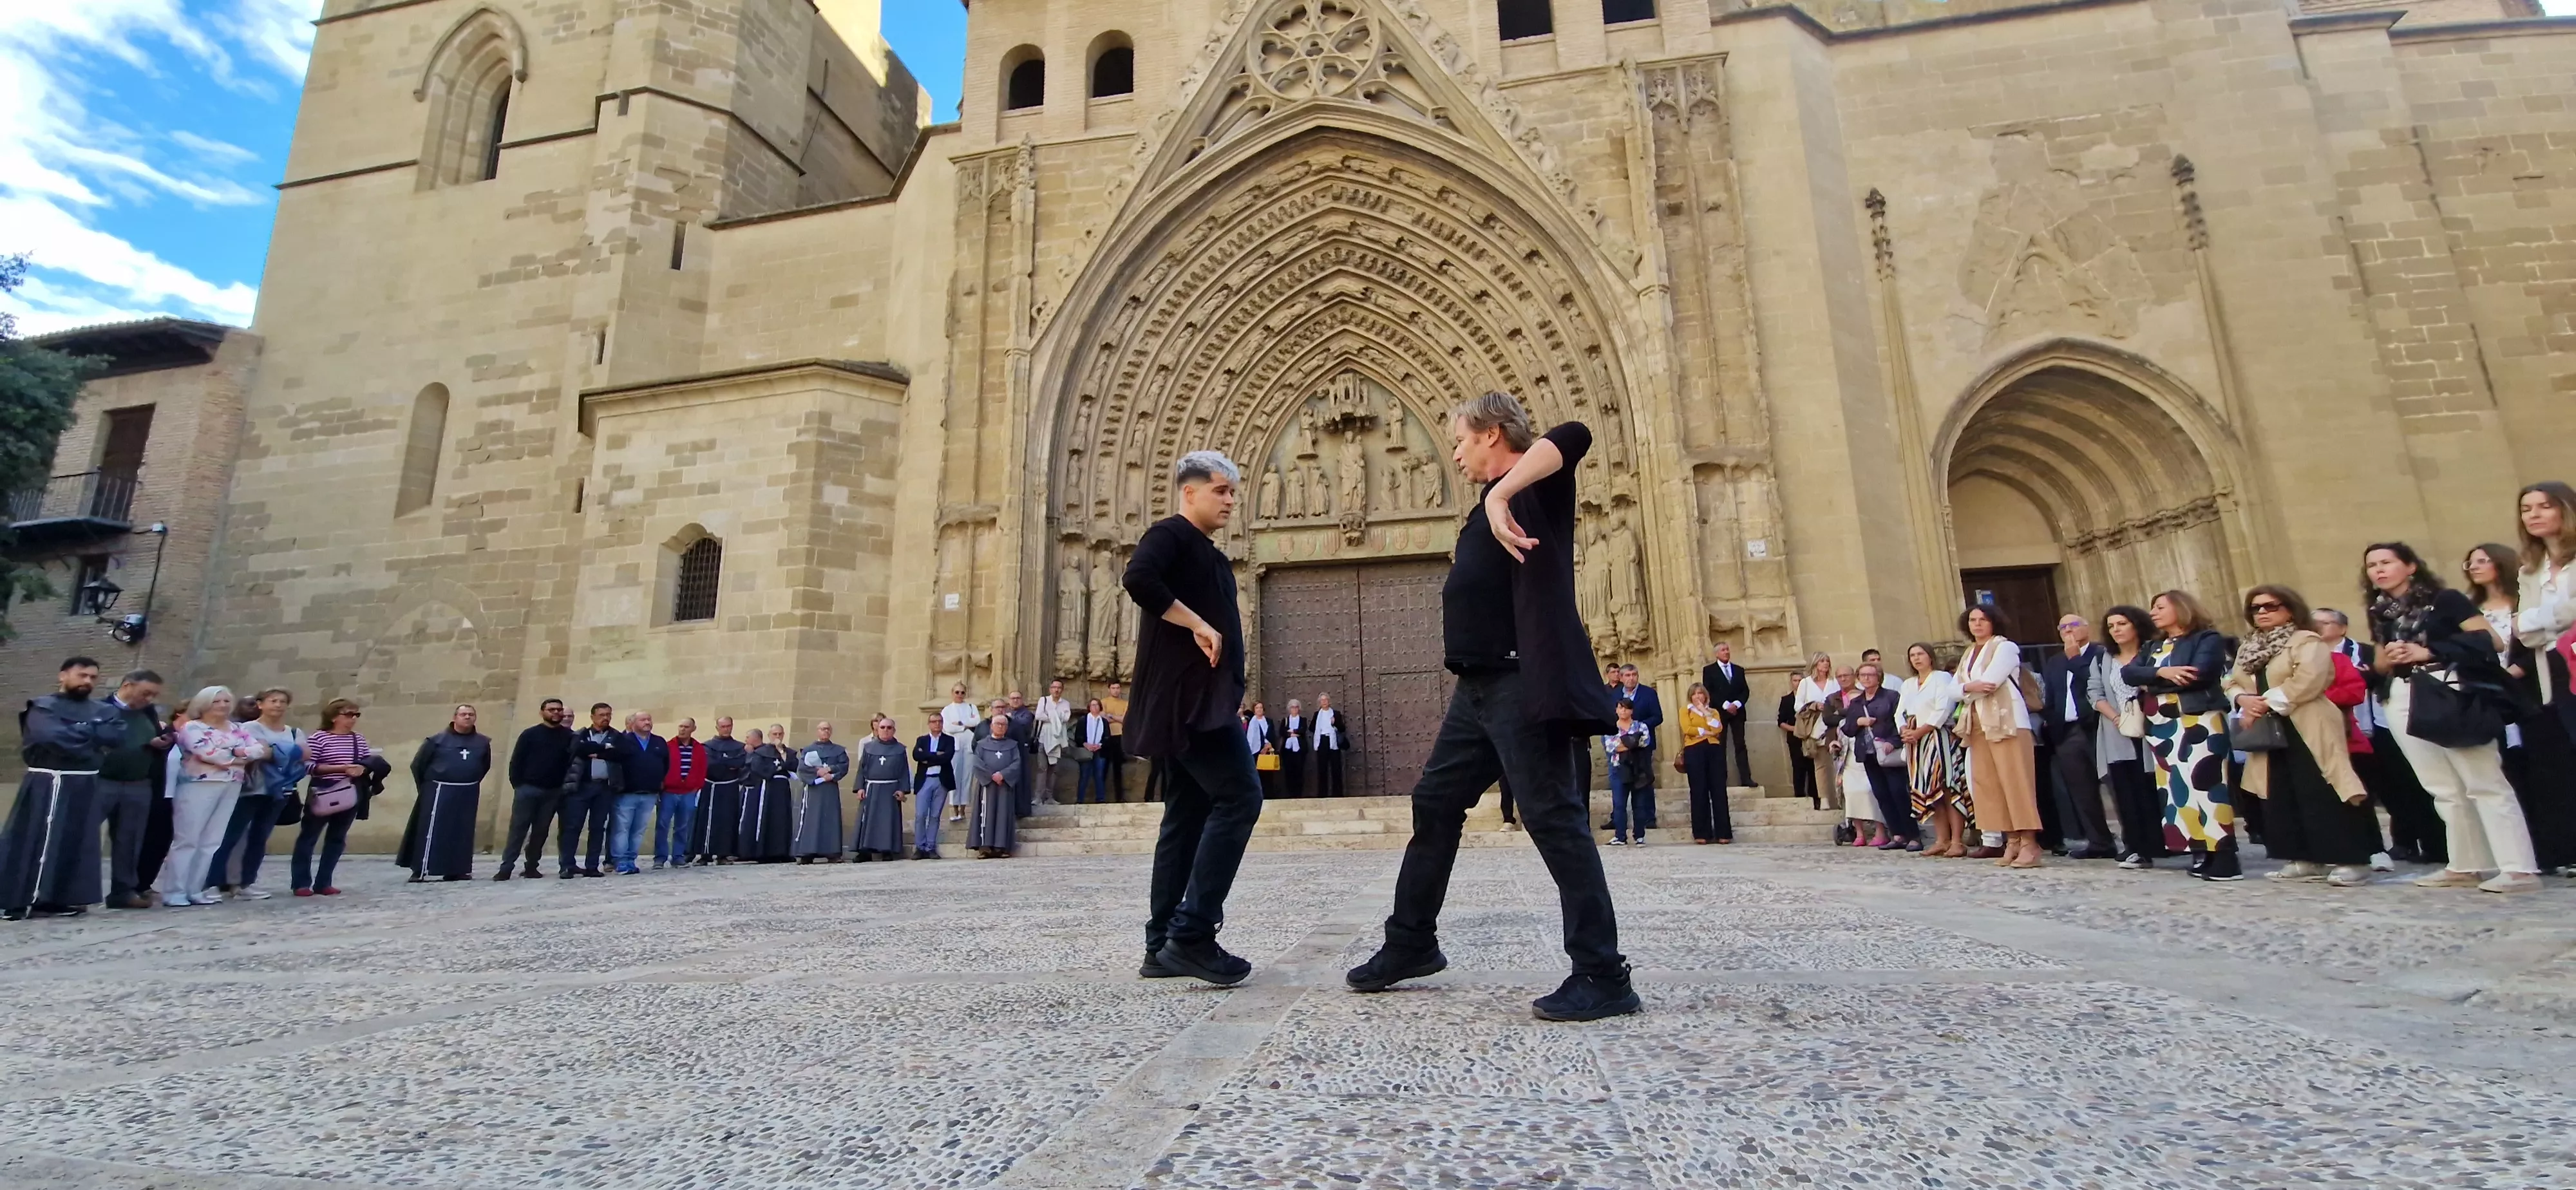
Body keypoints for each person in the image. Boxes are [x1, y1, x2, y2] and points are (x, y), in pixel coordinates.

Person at [1347, 393, 1635, 1022]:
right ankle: (1411, 942)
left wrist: (1504, 495)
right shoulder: (1487, 502)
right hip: (1476, 691)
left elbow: (1577, 432)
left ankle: (1603, 972)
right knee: (1435, 803)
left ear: (1493, 434)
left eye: (1460, 439)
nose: (1452, 452)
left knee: (1553, 818)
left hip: (1521, 681)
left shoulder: (1533, 491)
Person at [1122, 449, 1264, 987]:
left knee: (1185, 816)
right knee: (1240, 796)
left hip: (1196, 702)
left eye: (1233, 492)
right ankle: (1194, 934)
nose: (1231, 500)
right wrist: (1196, 623)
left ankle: (1161, 944)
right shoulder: (1171, 534)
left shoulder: (1203, 550)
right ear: (1190, 492)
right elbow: (1138, 578)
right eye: (1221, 490)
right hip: (1191, 703)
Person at [2365, 542, 2540, 892]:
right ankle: (2466, 863)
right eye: (2371, 565)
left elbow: (2490, 641)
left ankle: (2518, 867)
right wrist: (2388, 657)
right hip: (2402, 692)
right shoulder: (2381, 611)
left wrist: (2427, 650)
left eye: (2387, 562)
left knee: (2483, 780)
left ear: (2411, 566)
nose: (2378, 570)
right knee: (2442, 787)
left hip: (2449, 688)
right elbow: (2381, 664)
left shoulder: (2445, 600)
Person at [2224, 585, 2378, 887]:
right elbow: (2231, 679)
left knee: (2323, 787)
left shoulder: (2306, 640)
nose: (2263, 613)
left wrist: (2265, 701)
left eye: (2271, 606)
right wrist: (2242, 699)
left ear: (2290, 609)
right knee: (2281, 791)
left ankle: (2353, 858)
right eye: (2256, 608)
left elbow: (2310, 678)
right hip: (2267, 727)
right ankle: (2304, 857)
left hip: (2307, 722)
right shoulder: (2249, 647)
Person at [2470, 541, 2576, 873]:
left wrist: (2515, 672)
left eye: (2484, 560)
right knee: (2509, 773)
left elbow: (2539, 641)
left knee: (2549, 770)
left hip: (2529, 691)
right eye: (2470, 563)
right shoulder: (2470, 610)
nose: (2475, 567)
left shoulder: (2523, 600)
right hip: (2490, 698)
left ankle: (2563, 848)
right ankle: (2532, 851)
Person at [2123, 590, 2239, 879]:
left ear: (2182, 608)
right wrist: (2163, 674)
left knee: (2207, 785)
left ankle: (2224, 857)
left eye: (2160, 607)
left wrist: (2153, 681)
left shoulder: (2206, 639)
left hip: (2198, 720)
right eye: (2152, 608)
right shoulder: (2154, 645)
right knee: (2178, 790)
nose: (2153, 613)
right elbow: (2130, 674)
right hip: (2162, 726)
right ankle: (2201, 852)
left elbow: (2198, 674)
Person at [1, 657, 122, 920]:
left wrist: (82, 732)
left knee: (73, 841)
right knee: (36, 838)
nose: (88, 681)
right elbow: (53, 738)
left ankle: (58, 899)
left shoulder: (104, 710)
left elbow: (116, 737)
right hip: (48, 782)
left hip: (84, 783)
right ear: (63, 676)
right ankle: (18, 900)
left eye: (93, 677)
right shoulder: (43, 707)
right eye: (82, 675)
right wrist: (92, 734)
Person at [2318, 607, 2441, 864]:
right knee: (2386, 791)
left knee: (2412, 783)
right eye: (2313, 623)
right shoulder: (2312, 657)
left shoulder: (2365, 652)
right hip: (2350, 732)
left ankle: (2434, 843)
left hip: (2382, 724)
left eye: (2324, 623)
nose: (2317, 627)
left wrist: (2365, 674)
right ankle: (2402, 843)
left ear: (2342, 628)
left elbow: (2381, 677)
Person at [155, 686, 269, 907]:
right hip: (199, 784)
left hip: (232, 783)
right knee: (188, 839)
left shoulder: (236, 728)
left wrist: (236, 755)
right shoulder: (193, 727)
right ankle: (175, 890)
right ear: (205, 704)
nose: (223, 705)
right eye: (217, 701)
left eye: (227, 701)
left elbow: (259, 750)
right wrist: (238, 755)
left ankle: (196, 888)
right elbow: (209, 754)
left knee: (212, 841)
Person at [2515, 481, 2576, 873]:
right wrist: (2546, 621)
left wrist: (2539, 621)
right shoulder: (2530, 571)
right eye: (2526, 508)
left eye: (2544, 506)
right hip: (2549, 668)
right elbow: (2524, 629)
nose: (2534, 514)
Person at [1955, 605, 2043, 869]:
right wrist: (1968, 687)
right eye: (1972, 620)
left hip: (2007, 721)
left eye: (1983, 619)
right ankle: (2012, 839)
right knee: (1991, 784)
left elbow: (1991, 682)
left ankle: (2030, 842)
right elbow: (1953, 690)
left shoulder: (2005, 647)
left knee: (2016, 781)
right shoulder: (1969, 653)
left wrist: (1965, 689)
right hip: (1979, 722)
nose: (1977, 624)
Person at [207, 688, 301, 901]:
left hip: (279, 789)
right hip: (251, 788)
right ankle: (212, 882)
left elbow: (304, 753)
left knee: (260, 838)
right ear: (261, 704)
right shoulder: (248, 727)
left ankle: (246, 882)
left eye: (283, 701)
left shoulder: (292, 731)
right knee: (231, 836)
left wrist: (274, 751)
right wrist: (284, 752)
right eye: (273, 701)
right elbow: (257, 752)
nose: (278, 705)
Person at [2092, 606, 2165, 868]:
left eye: (2122, 624)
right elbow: (2095, 692)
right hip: (2118, 731)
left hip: (2154, 728)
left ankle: (2167, 844)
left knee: (2154, 787)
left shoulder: (2154, 652)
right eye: (2111, 626)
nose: (2116, 630)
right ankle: (2136, 848)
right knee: (2126, 790)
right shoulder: (2104, 658)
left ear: (2136, 625)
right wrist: (2116, 718)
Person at [2041, 616, 2118, 860]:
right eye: (2062, 627)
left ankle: (2138, 841)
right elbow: (2051, 695)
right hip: (2067, 731)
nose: (2067, 630)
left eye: (2073, 625)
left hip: (2098, 727)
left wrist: (2075, 657)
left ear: (2087, 627)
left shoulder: (2101, 654)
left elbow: (2094, 684)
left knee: (2115, 784)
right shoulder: (2054, 661)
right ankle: (2099, 842)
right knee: (2082, 790)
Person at [96, 668, 171, 909]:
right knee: (84, 837)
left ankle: (123, 892)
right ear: (127, 685)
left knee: (130, 841)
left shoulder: (147, 713)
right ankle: (71, 892)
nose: (149, 700)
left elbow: (145, 739)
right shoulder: (100, 709)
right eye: (146, 693)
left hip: (139, 783)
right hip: (102, 781)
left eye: (153, 696)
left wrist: (158, 743)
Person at [292, 699, 375, 896]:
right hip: (323, 792)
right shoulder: (319, 738)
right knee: (309, 837)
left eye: (356, 715)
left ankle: (324, 881)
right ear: (333, 716)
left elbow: (366, 760)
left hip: (349, 792)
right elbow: (308, 765)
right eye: (348, 714)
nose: (353, 719)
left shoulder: (358, 739)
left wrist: (363, 768)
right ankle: (301, 882)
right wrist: (340, 768)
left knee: (337, 838)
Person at [399, 704, 488, 883]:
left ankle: (457, 870)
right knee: (432, 830)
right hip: (439, 790)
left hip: (468, 790)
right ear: (455, 717)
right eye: (463, 714)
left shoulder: (483, 742)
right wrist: (427, 788)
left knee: (462, 831)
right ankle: (421, 869)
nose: (468, 717)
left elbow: (484, 765)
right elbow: (418, 765)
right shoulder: (436, 741)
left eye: (471, 714)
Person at [1897, 643, 1969, 858]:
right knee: (1932, 793)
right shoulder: (1908, 684)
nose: (1917, 658)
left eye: (1921, 654)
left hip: (1938, 738)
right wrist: (1905, 730)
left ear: (1930, 657)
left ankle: (1957, 840)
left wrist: (1921, 730)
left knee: (1948, 788)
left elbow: (1943, 708)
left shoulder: (1942, 678)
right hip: (1916, 744)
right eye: (1913, 655)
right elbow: (1900, 711)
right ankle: (1942, 839)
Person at [498, 697, 572, 880]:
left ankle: (531, 866)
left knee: (541, 831)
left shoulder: (568, 736)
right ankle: (506, 867)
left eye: (559, 710)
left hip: (553, 791)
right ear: (542, 712)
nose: (556, 713)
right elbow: (516, 761)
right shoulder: (530, 734)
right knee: (518, 829)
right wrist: (519, 785)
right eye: (551, 710)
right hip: (528, 789)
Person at [1841, 663, 1911, 849]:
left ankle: (1912, 835)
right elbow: (1847, 729)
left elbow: (1900, 720)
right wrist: (1858, 721)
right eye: (1862, 675)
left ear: (1878, 677)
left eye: (1870, 675)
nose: (1866, 679)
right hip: (1868, 754)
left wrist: (1894, 741)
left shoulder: (1891, 696)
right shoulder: (1857, 702)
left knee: (1898, 792)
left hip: (1888, 752)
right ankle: (1897, 835)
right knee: (1881, 794)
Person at [562, 704, 629, 878]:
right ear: (592, 717)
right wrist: (605, 749)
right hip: (581, 786)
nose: (605, 718)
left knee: (598, 827)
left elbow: (622, 755)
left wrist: (597, 753)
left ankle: (592, 865)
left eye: (608, 715)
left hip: (604, 788)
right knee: (573, 826)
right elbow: (578, 750)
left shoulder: (617, 736)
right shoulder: (580, 734)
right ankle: (567, 865)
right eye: (601, 715)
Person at [607, 712, 669, 875]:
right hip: (627, 793)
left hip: (649, 793)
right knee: (622, 828)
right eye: (643, 720)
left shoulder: (659, 742)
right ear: (633, 723)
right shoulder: (623, 740)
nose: (647, 722)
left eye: (649, 719)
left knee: (639, 829)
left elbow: (665, 764)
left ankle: (631, 859)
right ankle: (620, 861)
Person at [849, 715, 909, 861]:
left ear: (894, 730)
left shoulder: (900, 749)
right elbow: (862, 769)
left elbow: (904, 771)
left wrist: (902, 790)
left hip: (890, 790)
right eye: (883, 727)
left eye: (889, 728)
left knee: (888, 821)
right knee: (868, 820)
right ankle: (865, 851)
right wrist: (860, 788)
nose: (885, 730)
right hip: (872, 789)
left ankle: (887, 850)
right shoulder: (869, 748)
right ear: (878, 729)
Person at [1678, 683, 1730, 844]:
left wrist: (1706, 713)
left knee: (1718, 789)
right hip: (1694, 749)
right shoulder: (1685, 710)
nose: (1698, 697)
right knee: (1699, 790)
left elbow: (1718, 728)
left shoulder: (1713, 712)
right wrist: (1706, 731)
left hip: (1714, 749)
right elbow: (1688, 728)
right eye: (1694, 694)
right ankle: (1702, 832)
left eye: (1700, 693)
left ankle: (1723, 832)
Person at [692, 717, 748, 865]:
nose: (726, 729)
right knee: (707, 820)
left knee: (727, 820)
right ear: (717, 727)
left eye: (729, 726)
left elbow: (740, 763)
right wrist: (728, 763)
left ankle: (724, 854)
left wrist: (725, 762)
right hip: (711, 787)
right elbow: (710, 765)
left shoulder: (739, 747)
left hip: (730, 786)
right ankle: (705, 854)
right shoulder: (708, 746)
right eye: (723, 726)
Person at [793, 722, 849, 863]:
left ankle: (832, 852)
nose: (826, 731)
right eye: (823, 729)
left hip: (830, 789)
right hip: (814, 790)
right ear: (817, 731)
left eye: (828, 729)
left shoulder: (839, 750)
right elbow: (802, 769)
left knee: (831, 819)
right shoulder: (808, 750)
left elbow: (843, 766)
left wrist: (831, 773)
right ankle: (807, 852)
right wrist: (817, 772)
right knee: (812, 819)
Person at [654, 718, 705, 871]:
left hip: (688, 792)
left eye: (686, 727)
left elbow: (702, 769)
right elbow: (661, 766)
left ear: (693, 729)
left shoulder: (698, 748)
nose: (682, 729)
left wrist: (696, 786)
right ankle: (660, 857)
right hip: (669, 792)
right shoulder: (669, 746)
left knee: (683, 826)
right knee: (663, 825)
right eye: (681, 726)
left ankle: (678, 856)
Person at [1700, 641, 1753, 788]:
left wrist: (1737, 704)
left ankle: (1746, 778)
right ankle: (1720, 779)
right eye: (1723, 650)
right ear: (1717, 653)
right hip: (1720, 713)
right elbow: (1709, 691)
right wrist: (1725, 705)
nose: (1726, 652)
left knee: (1740, 745)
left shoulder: (1738, 670)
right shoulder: (1709, 670)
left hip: (1737, 712)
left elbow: (1745, 691)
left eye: (1727, 649)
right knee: (1720, 746)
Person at [969, 713, 1023, 857]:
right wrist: (992, 775)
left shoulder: (1012, 745)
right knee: (986, 814)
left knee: (1003, 814)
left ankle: (1002, 848)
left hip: (1004, 785)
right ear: (991, 726)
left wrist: (1003, 775)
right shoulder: (981, 745)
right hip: (987, 786)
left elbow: (1017, 763)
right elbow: (977, 763)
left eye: (1004, 724)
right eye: (998, 724)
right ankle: (985, 848)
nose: (1000, 727)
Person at [1615, 665, 1661, 828]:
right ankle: (1618, 819)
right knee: (1619, 781)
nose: (1631, 678)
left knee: (1645, 780)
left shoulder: (1649, 693)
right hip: (1619, 745)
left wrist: (1638, 727)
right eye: (1627, 675)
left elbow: (1658, 717)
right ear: (1621, 678)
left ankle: (1649, 818)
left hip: (1642, 745)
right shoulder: (1615, 695)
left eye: (1634, 674)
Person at [1793, 654, 1839, 811]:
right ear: (1815, 664)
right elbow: (1798, 706)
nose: (1825, 664)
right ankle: (1824, 798)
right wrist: (1813, 705)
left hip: (1834, 727)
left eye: (1827, 661)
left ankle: (1839, 798)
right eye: (1822, 661)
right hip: (1815, 728)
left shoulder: (1834, 682)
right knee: (1821, 766)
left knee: (1837, 764)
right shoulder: (1806, 683)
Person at [741, 727, 795, 862]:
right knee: (768, 818)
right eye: (774, 734)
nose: (777, 736)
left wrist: (782, 752)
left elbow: (793, 765)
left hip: (782, 790)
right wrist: (778, 768)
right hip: (768, 789)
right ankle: (765, 852)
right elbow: (759, 769)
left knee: (782, 819)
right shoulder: (761, 752)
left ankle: (781, 852)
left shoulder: (787, 752)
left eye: (780, 734)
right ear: (769, 735)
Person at [1604, 700, 1651, 846]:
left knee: (1639, 803)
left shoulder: (1641, 725)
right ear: (1616, 710)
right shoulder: (1611, 727)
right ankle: (1620, 836)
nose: (1623, 711)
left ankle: (1639, 835)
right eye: (1620, 708)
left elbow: (1645, 741)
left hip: (1638, 768)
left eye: (1626, 708)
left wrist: (1625, 742)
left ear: (1632, 710)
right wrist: (1632, 741)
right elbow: (1612, 747)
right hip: (1618, 768)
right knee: (1619, 804)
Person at [913, 715, 954, 858]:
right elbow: (916, 756)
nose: (937, 724)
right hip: (925, 780)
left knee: (935, 816)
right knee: (920, 815)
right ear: (929, 724)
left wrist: (928, 758)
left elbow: (947, 757)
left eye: (940, 721)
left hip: (941, 780)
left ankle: (930, 847)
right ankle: (920, 847)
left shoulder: (949, 740)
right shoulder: (922, 740)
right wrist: (936, 755)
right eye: (934, 722)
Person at [940, 684, 981, 822]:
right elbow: (948, 727)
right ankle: (954, 809)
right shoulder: (947, 710)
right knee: (955, 775)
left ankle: (963, 810)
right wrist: (965, 726)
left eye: (962, 692)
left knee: (967, 776)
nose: (960, 694)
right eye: (957, 692)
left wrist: (960, 723)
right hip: (955, 744)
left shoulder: (971, 707)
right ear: (952, 693)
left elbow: (976, 722)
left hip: (968, 743)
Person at [1312, 692, 1351, 798]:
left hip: (1333, 742)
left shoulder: (1336, 714)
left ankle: (1337, 794)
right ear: (1320, 703)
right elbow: (1312, 728)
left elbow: (1342, 728)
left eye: (1326, 700)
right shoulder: (1317, 715)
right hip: (1323, 741)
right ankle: (1322, 795)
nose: (1324, 702)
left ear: (1329, 702)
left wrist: (1335, 723)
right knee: (1322, 769)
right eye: (1322, 700)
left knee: (1336, 769)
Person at [1777, 688, 1812, 804]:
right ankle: (1800, 796)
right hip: (1794, 738)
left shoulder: (1810, 697)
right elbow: (1781, 722)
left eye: (1800, 680)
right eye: (1795, 680)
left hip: (1810, 737)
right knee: (1798, 767)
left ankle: (1814, 796)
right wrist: (1795, 730)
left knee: (1812, 768)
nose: (1798, 683)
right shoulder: (1787, 700)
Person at [1075, 698, 1113, 805]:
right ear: (1089, 707)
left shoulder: (1104, 721)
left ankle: (1100, 798)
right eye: (1092, 705)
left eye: (1097, 705)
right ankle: (1080, 799)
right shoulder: (1083, 720)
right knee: (1085, 775)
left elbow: (1107, 736)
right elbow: (1078, 736)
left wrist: (1100, 745)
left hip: (1099, 751)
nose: (1095, 707)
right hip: (1087, 751)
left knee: (1099, 775)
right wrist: (1086, 744)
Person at [1101, 681, 1130, 801]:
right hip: (1107, 737)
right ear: (1109, 689)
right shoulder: (1103, 702)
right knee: (1104, 768)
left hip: (1120, 737)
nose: (1116, 690)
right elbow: (1103, 718)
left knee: (1118, 768)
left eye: (1118, 688)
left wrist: (1111, 716)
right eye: (1113, 688)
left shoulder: (1125, 703)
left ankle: (1119, 798)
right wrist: (1116, 717)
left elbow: (1125, 719)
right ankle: (1100, 797)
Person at [1245, 700, 1280, 799]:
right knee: (1258, 776)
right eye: (1257, 708)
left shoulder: (1269, 721)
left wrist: (1268, 746)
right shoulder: (1251, 722)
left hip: (1268, 751)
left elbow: (1272, 735)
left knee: (1268, 777)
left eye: (1261, 708)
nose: (1259, 710)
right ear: (1254, 710)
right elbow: (1250, 738)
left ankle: (1269, 797)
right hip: (1257, 752)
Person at [1278, 699, 1308, 798]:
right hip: (1287, 750)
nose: (1294, 709)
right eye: (1292, 707)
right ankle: (1290, 794)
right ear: (1289, 709)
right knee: (1289, 772)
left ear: (1299, 709)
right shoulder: (1285, 720)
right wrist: (1294, 734)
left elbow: (1303, 731)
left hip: (1299, 750)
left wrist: (1292, 731)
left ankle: (1298, 794)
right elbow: (1282, 732)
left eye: (1296, 707)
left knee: (1299, 772)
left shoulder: (1303, 720)